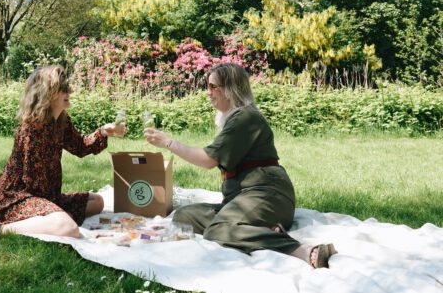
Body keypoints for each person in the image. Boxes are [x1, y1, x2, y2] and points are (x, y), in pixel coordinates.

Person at [143, 62, 336, 268]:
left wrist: (168, 143)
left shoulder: (245, 116)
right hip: (242, 198)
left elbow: (208, 160)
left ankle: (301, 250)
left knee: (218, 230)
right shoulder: (234, 118)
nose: (208, 93)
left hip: (268, 194)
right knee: (184, 216)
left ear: (230, 89)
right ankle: (264, 231)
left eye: (213, 86)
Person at [0, 64, 125, 245]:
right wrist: (53, 210)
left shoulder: (61, 120)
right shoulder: (32, 129)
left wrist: (103, 132)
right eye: (63, 88)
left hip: (46, 195)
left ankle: (46, 220)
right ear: (47, 93)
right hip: (17, 197)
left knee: (97, 202)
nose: (70, 91)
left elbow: (80, 147)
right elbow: (32, 181)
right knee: (68, 228)